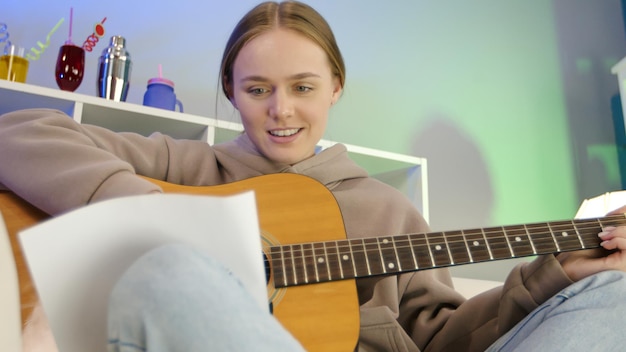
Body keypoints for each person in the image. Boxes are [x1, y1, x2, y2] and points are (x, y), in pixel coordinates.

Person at [1, 1, 626, 351]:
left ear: (335, 89)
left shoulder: (389, 211)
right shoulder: (187, 166)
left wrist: (556, 273)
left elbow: (443, 342)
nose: (281, 110)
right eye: (257, 89)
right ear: (230, 92)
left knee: (616, 292)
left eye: (303, 87)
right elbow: (19, 132)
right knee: (166, 267)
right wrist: (160, 219)